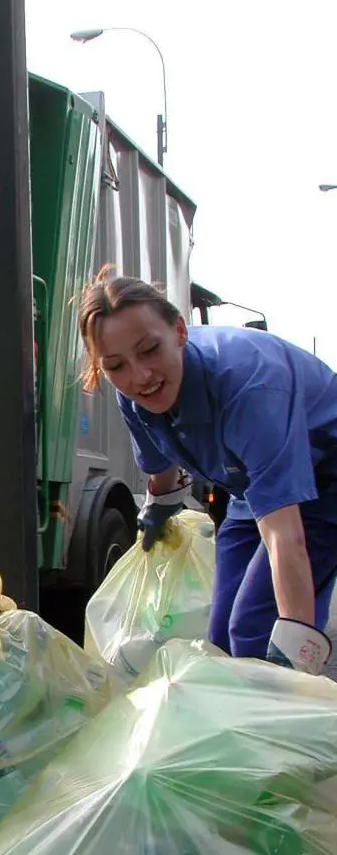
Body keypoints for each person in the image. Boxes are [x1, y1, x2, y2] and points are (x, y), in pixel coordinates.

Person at [78, 269, 337, 676]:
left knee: (255, 629)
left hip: (324, 476)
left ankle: (286, 724)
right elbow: (162, 473)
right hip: (248, 487)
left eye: (149, 350)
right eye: (116, 365)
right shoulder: (135, 399)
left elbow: (287, 538)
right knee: (220, 638)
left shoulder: (248, 386)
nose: (140, 377)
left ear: (180, 330)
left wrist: (294, 653)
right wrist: (156, 515)